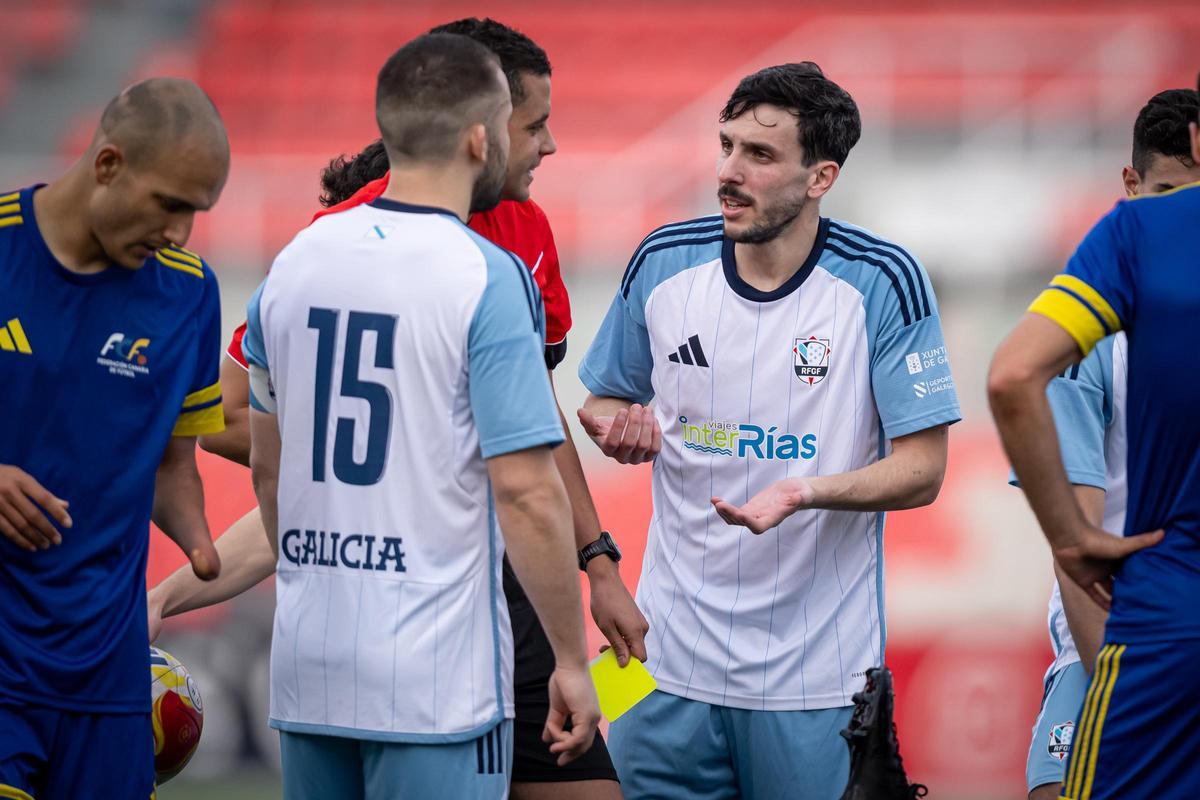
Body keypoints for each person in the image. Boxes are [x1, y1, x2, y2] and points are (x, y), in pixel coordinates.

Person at [148, 18, 638, 797]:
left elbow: (281, 477)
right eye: (534, 125)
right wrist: (576, 662)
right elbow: (522, 482)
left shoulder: (299, 263)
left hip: (312, 660)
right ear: (482, 135)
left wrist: (598, 558)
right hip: (440, 666)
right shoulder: (484, 274)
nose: (547, 147)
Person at [578, 62, 960, 799]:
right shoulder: (663, 260)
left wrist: (804, 491)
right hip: (650, 663)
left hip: (817, 678)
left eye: (759, 155)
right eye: (726, 146)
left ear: (820, 178)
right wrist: (617, 429)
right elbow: (599, 403)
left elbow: (924, 469)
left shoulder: (882, 280)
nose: (729, 171)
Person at [0, 78, 229, 799]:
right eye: (170, 204)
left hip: (108, 676)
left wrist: (201, 543)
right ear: (107, 165)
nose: (180, 232)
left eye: (196, 212)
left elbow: (172, 465)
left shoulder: (189, 293)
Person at [989, 69, 1200, 800]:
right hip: (1118, 642)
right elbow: (1072, 539)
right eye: (1169, 195)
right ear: (1131, 186)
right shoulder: (1091, 345)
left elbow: (1008, 379)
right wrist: (1113, 673)